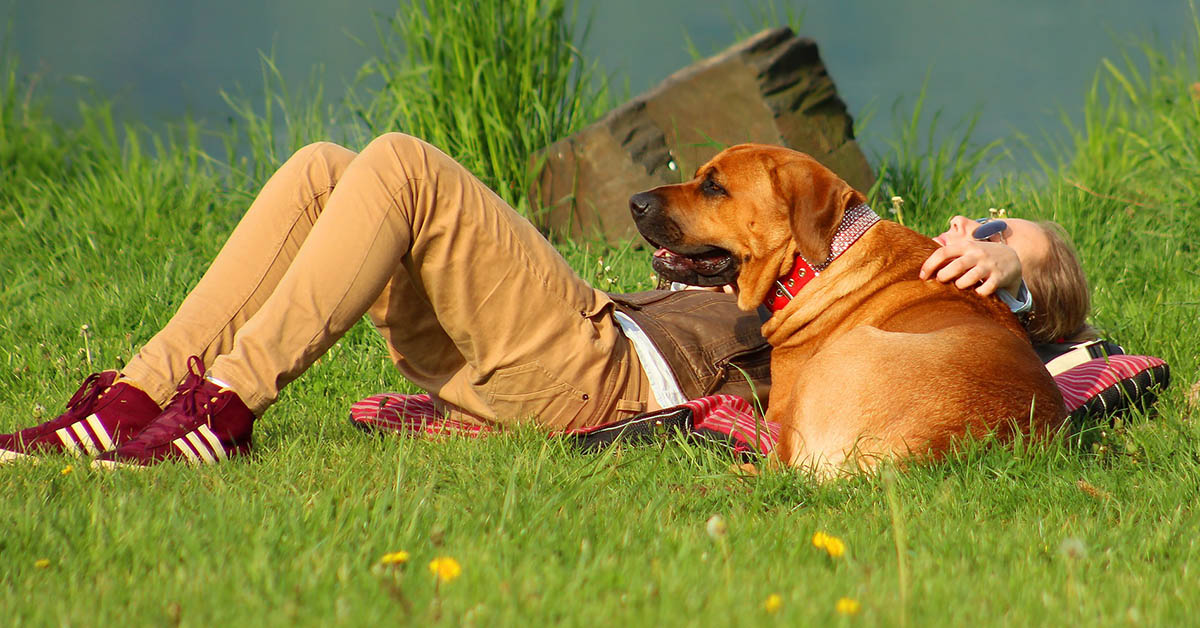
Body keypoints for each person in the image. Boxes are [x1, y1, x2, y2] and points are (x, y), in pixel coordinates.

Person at [0, 134, 1094, 467]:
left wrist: (1021, 258)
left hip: (603, 366)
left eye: (994, 240)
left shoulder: (930, 301)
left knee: (401, 165)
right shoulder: (854, 253)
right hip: (537, 353)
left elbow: (1058, 313)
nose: (964, 236)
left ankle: (225, 404)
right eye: (969, 222)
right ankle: (135, 394)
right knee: (329, 165)